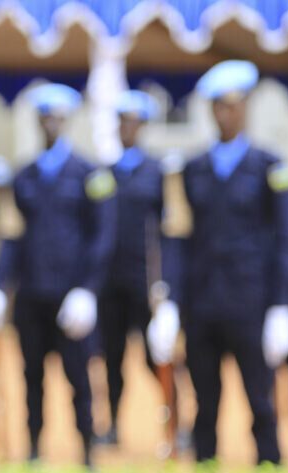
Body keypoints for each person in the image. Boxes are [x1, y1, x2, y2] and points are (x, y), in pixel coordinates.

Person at [148, 60, 288, 465]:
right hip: (202, 303)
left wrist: (282, 305)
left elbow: (285, 239)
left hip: (251, 301)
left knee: (260, 402)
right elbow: (177, 239)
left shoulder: (270, 167)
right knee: (205, 403)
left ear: (245, 107)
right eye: (217, 106)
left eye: (231, 106)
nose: (223, 114)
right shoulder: (191, 169)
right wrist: (170, 301)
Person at [0, 83, 117, 466]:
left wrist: (87, 290)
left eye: (56, 117)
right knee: (32, 378)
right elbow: (13, 235)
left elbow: (103, 236)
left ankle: (86, 452)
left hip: (71, 294)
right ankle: (33, 449)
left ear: (65, 121)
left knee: (79, 378)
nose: (50, 123)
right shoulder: (25, 174)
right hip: (32, 294)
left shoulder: (89, 173)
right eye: (43, 116)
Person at [96, 90, 165, 446]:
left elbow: (169, 229)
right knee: (112, 358)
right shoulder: (104, 173)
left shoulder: (158, 172)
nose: (127, 129)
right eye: (122, 122)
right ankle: (112, 425)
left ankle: (175, 420)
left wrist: (165, 284)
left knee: (158, 355)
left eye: (133, 123)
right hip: (111, 280)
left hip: (145, 278)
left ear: (143, 127)